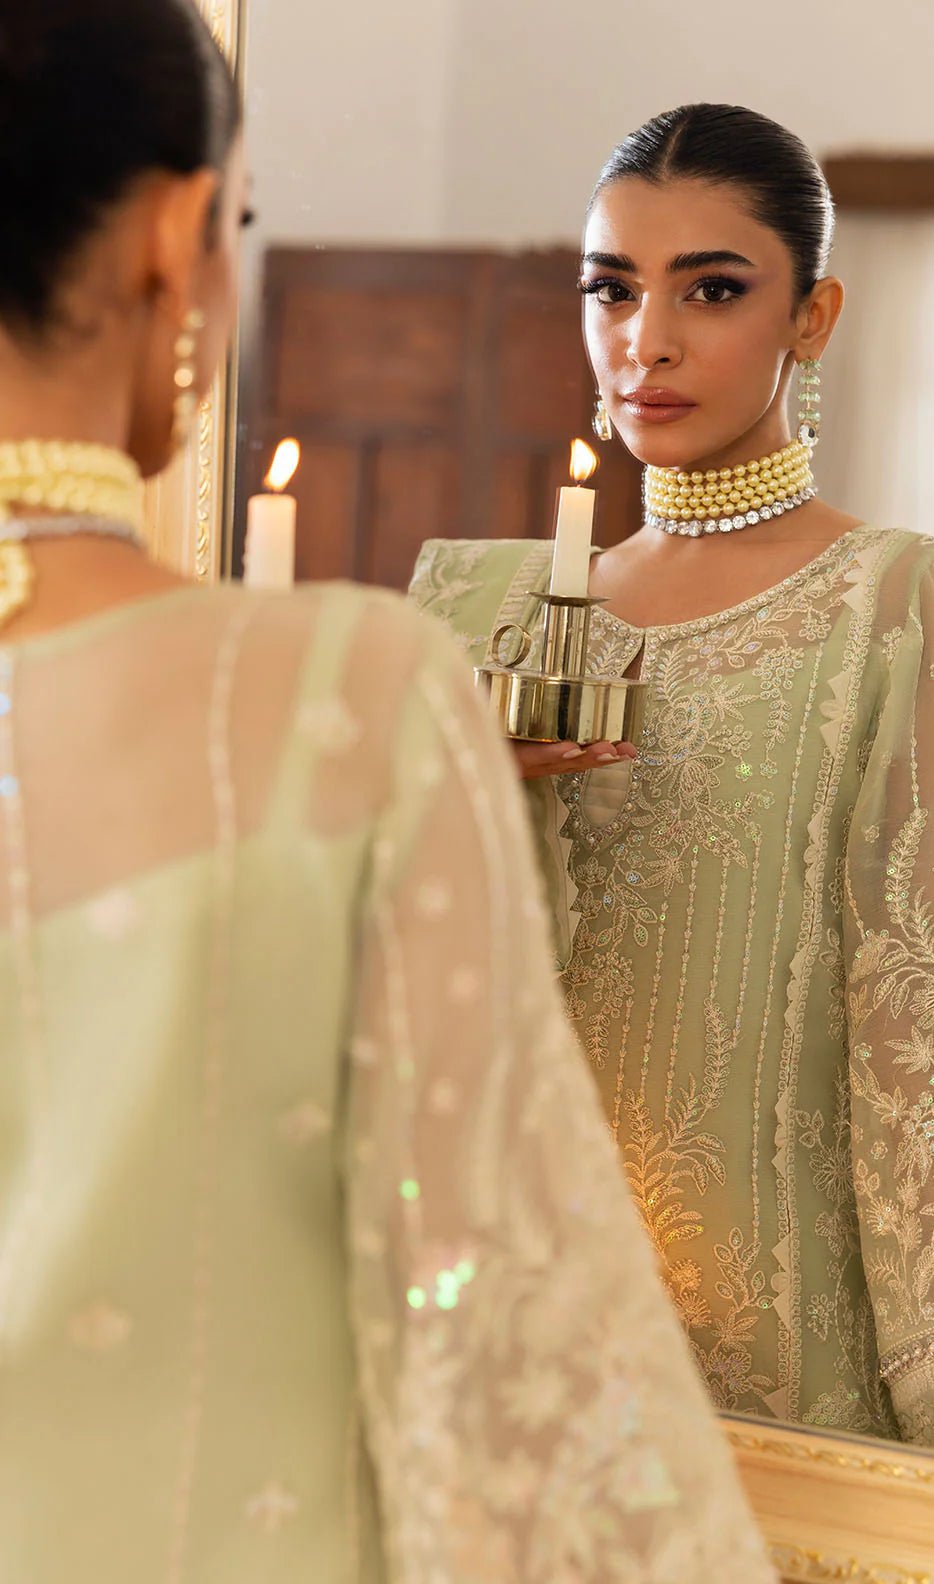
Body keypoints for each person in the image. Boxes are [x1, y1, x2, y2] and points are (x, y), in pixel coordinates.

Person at [0, 12, 774, 1579]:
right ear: (172, 234)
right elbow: (517, 1351)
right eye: (240, 227)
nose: (646, 337)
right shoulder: (339, 699)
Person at [411, 102, 934, 1484]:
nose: (648, 340)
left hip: (762, 1356)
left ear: (812, 319)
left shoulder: (895, 600)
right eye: (611, 290)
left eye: (713, 290)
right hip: (495, 1308)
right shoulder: (474, 609)